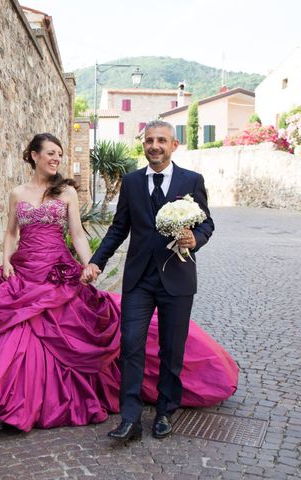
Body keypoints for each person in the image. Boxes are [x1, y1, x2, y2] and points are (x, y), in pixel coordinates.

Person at [0, 132, 237, 433]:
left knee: (162, 345)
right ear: (33, 155)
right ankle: (10, 405)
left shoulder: (68, 192)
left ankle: (163, 412)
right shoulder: (18, 194)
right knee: (20, 335)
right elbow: (12, 232)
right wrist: (6, 261)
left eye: (59, 154)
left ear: (172, 145)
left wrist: (90, 265)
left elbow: (77, 233)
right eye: (50, 153)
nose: (55, 159)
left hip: (59, 273)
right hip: (27, 274)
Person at [86, 119, 214, 441]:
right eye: (149, 141)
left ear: (174, 145)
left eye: (161, 140)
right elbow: (119, 228)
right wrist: (96, 262)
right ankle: (130, 418)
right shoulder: (130, 183)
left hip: (177, 278)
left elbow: (207, 223)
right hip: (140, 278)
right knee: (130, 345)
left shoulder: (191, 180)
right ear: (143, 145)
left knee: (172, 350)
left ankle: (165, 411)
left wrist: (195, 239)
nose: (154, 146)